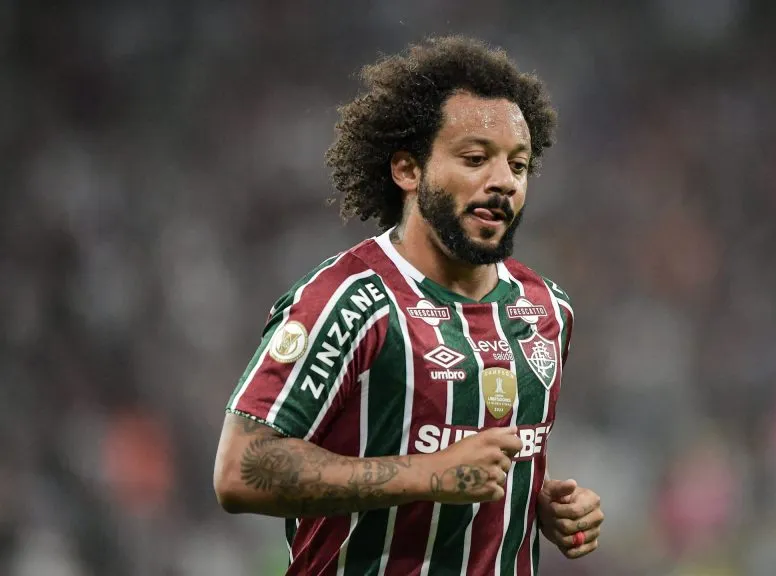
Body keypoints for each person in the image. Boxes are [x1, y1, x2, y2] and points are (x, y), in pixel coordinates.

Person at [213, 35, 603, 575]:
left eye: (518, 166)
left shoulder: (546, 309)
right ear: (408, 171)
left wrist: (539, 505)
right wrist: (429, 476)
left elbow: (487, 465)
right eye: (474, 158)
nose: (502, 183)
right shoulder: (349, 300)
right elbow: (240, 471)